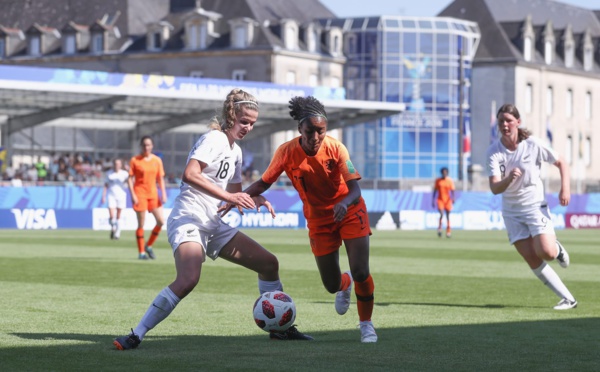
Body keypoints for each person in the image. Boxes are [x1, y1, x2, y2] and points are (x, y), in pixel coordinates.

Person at [113, 89, 313, 350]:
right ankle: (136, 334)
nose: (248, 127)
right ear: (231, 115)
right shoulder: (214, 138)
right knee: (188, 279)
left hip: (212, 222)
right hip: (188, 218)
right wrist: (230, 198)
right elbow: (190, 174)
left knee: (268, 263)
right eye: (244, 121)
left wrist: (256, 199)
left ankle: (279, 330)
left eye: (252, 123)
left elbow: (234, 192)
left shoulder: (236, 151)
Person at [242, 96, 378, 343]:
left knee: (361, 271)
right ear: (299, 129)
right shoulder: (286, 152)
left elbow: (355, 190)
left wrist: (343, 203)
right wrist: (235, 197)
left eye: (321, 131)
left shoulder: (337, 148)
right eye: (310, 131)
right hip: (318, 220)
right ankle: (344, 285)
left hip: (350, 210)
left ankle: (366, 325)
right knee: (331, 284)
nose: (315, 137)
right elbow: (264, 183)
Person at [487, 103, 576, 310]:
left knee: (547, 253)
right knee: (531, 258)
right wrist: (508, 180)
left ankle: (557, 248)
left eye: (509, 120)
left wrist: (565, 189)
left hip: (534, 206)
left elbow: (562, 162)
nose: (505, 125)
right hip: (511, 213)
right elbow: (494, 188)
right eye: (501, 121)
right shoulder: (494, 152)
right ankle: (568, 299)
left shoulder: (533, 144)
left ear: (518, 122)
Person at [128, 136, 167, 260]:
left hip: (153, 194)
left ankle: (148, 245)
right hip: (140, 193)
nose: (146, 147)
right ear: (141, 146)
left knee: (160, 221)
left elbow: (160, 178)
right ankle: (141, 253)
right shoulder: (135, 160)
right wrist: (133, 194)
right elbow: (129, 178)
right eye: (144, 145)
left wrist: (164, 193)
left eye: (148, 145)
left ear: (152, 146)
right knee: (141, 224)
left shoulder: (157, 160)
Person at [101, 158, 129, 239]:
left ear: (121, 165)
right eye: (115, 164)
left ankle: (117, 233)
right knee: (112, 217)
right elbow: (106, 185)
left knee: (118, 216)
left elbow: (130, 181)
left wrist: (130, 172)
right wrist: (103, 196)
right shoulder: (109, 174)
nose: (117, 165)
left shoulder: (125, 174)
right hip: (111, 195)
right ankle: (113, 227)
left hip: (121, 196)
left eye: (118, 164)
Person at [432, 167, 455, 238]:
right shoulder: (438, 181)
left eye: (446, 172)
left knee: (448, 216)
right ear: (441, 173)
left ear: (447, 173)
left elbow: (452, 190)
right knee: (441, 214)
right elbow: (435, 190)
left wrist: (453, 198)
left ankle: (448, 231)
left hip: (448, 200)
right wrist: (433, 200)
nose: (444, 173)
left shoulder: (449, 181)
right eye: (443, 172)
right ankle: (439, 229)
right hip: (440, 200)